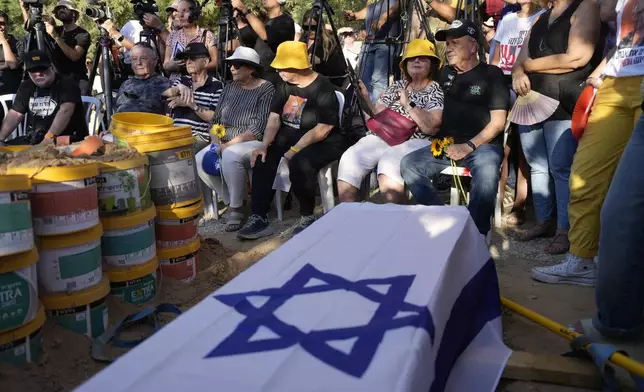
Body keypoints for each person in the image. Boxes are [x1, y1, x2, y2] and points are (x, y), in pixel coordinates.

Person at [536, 0, 644, 286]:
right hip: (616, 80)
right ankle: (581, 260)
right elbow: (611, 16)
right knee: (584, 176)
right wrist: (600, 72)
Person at [400, 20, 510, 237]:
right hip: (446, 144)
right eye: (447, 44)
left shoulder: (492, 74)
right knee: (409, 164)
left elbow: (498, 123)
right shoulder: (445, 74)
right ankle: (446, 221)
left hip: (482, 145)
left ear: (472, 46)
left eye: (455, 43)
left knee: (487, 172)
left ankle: (474, 234)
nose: (448, 48)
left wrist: (468, 146)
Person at [512, 0, 602, 256]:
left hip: (565, 98)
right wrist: (519, 71)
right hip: (529, 98)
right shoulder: (541, 16)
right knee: (537, 165)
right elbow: (520, 57)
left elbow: (577, 57)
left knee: (561, 166)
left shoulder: (586, 6)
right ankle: (544, 221)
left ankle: (565, 230)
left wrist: (526, 66)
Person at [237, 41, 349, 239]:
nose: (278, 71)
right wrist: (264, 145)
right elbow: (274, 118)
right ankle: (259, 217)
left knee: (300, 163)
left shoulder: (322, 86)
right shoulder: (284, 85)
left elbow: (323, 128)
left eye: (282, 68)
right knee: (263, 158)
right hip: (289, 137)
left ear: (296, 67)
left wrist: (293, 151)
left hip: (323, 141)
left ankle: (307, 216)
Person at [338, 39, 443, 204]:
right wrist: (365, 96)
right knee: (350, 158)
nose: (416, 61)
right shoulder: (397, 85)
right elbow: (375, 115)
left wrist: (408, 104)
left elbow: (432, 128)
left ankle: (394, 218)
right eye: (412, 58)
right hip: (386, 135)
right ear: (405, 64)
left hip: (417, 139)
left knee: (389, 162)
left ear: (432, 65)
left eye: (422, 58)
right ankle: (350, 215)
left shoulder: (435, 89)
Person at [195, 47, 275, 231]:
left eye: (237, 65)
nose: (232, 68)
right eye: (230, 64)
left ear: (251, 69)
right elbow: (215, 121)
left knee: (230, 155)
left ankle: (236, 208)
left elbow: (257, 128)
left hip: (252, 141)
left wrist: (227, 145)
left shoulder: (265, 88)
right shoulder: (229, 87)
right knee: (199, 159)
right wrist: (216, 142)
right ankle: (232, 199)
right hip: (225, 140)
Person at [491, 0, 544, 225]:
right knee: (501, 148)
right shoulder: (508, 19)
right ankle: (498, 202)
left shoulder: (542, 16)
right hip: (502, 84)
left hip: (527, 84)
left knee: (524, 149)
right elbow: (495, 58)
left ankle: (520, 205)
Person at [0, 50, 88, 145]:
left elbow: (65, 111)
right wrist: (0, 139)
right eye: (33, 70)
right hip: (34, 139)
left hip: (67, 139)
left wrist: (49, 137)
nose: (38, 74)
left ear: (52, 67)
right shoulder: (26, 86)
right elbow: (16, 114)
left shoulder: (67, 83)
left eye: (42, 68)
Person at [345, 0, 401, 103]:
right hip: (368, 43)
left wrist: (384, 17)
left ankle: (377, 112)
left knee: (378, 80)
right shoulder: (375, 3)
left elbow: (398, 7)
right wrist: (355, 15)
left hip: (385, 42)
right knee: (363, 80)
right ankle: (365, 112)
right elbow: (369, 10)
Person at [170, 43, 224, 149]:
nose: (188, 62)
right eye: (186, 59)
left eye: (193, 58)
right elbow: (167, 98)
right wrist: (179, 88)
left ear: (206, 62)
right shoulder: (181, 81)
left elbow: (214, 117)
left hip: (197, 138)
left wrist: (191, 104)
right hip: (174, 135)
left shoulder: (216, 85)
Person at [231, 0, 295, 87]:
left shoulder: (285, 21)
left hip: (273, 77)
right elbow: (251, 42)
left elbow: (266, 35)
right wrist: (239, 20)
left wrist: (245, 10)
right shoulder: (265, 22)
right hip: (259, 74)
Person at [115, 43, 190, 114]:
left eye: (143, 58)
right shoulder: (125, 84)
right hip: (120, 125)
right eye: (134, 59)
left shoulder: (166, 85)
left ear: (155, 61)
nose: (138, 63)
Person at [44, 0, 91, 95]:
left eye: (64, 8)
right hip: (58, 81)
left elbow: (75, 56)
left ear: (73, 14)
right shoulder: (56, 30)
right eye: (58, 9)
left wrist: (55, 36)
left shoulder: (82, 34)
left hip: (77, 82)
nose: (61, 10)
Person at [164, 0, 217, 80]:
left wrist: (199, 67)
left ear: (194, 13)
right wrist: (172, 65)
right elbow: (165, 64)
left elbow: (216, 62)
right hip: (175, 84)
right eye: (179, 11)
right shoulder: (172, 36)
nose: (180, 15)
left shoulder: (207, 35)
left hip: (200, 83)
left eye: (185, 11)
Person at [300, 9, 348, 88]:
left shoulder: (330, 42)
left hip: (327, 86)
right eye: (306, 27)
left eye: (313, 27)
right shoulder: (302, 40)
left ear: (320, 26)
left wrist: (321, 62)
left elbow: (339, 69)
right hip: (305, 84)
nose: (310, 30)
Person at [0, 12, 24, 97]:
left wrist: (3, 41)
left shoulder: (18, 43)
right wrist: (5, 66)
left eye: (2, 23)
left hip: (11, 93)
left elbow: (13, 64)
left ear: (7, 25)